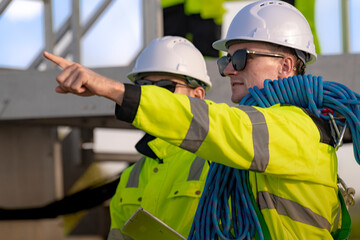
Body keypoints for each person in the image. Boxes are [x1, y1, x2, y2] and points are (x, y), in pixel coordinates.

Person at [43, 1, 356, 239]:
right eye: (226, 60)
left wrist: (114, 90)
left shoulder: (295, 129)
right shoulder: (264, 133)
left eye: (240, 58)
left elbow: (220, 125)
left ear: (286, 66)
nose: (230, 70)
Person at [105, 36, 212, 239]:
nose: (153, 97)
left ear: (198, 96)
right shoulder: (130, 177)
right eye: (144, 87)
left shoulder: (220, 163)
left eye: (165, 87)